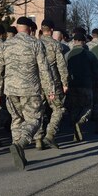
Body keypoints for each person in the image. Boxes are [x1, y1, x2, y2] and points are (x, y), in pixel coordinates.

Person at [0, 16, 55, 170]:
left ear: (17, 27)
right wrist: (50, 89)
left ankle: (18, 152)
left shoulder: (6, 45)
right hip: (30, 89)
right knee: (34, 120)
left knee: (16, 120)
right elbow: (44, 68)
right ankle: (21, 144)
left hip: (10, 90)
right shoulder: (35, 43)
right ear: (29, 28)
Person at [34, 19, 69, 149]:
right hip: (52, 82)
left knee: (38, 110)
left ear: (42, 30)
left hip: (36, 82)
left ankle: (38, 138)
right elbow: (61, 66)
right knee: (58, 109)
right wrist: (65, 82)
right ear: (52, 30)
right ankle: (50, 135)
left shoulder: (35, 44)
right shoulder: (55, 45)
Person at [64, 32, 98, 142]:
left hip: (72, 85)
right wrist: (97, 84)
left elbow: (62, 70)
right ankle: (80, 122)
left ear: (74, 41)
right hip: (86, 85)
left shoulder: (67, 55)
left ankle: (74, 128)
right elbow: (97, 71)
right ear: (84, 42)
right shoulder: (90, 55)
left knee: (74, 108)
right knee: (87, 108)